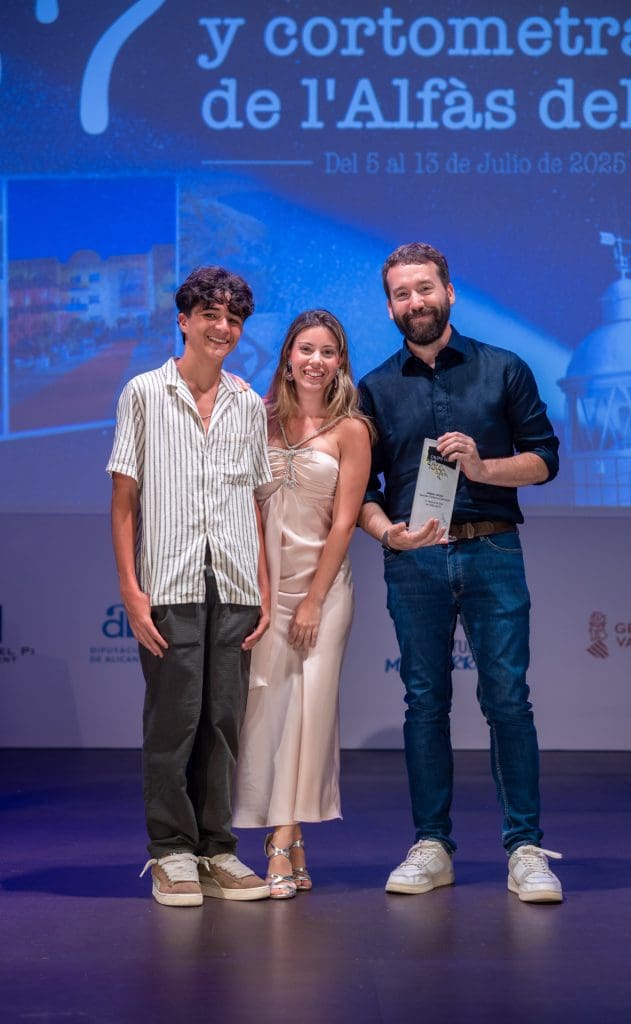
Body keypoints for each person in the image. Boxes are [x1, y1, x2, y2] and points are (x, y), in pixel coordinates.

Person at [357, 242, 563, 903]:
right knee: (424, 703)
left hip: (490, 549)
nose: (414, 302)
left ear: (449, 292)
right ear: (389, 307)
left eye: (424, 288)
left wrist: (481, 467)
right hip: (413, 559)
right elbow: (360, 492)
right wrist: (387, 531)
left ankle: (525, 849)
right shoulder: (374, 388)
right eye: (401, 294)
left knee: (507, 701)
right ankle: (431, 846)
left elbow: (544, 460)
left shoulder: (503, 368)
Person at [107, 265, 273, 907]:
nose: (222, 327)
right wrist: (131, 588)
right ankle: (171, 851)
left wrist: (262, 584)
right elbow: (124, 500)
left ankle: (217, 849)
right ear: (184, 320)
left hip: (235, 583)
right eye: (210, 315)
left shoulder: (247, 403)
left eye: (233, 318)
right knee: (173, 722)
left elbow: (254, 501)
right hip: (168, 582)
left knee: (223, 722)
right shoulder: (144, 393)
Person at [233, 309, 372, 898]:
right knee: (267, 711)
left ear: (340, 363)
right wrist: (265, 592)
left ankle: (282, 838)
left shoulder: (352, 430)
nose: (316, 361)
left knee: (308, 713)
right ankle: (287, 840)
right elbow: (246, 509)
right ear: (288, 358)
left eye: (328, 352)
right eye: (306, 349)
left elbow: (344, 523)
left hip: (324, 590)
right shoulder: (258, 421)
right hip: (267, 588)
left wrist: (313, 601)